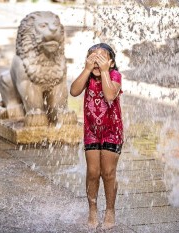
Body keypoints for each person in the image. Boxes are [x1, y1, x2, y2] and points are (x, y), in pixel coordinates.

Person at [70, 43, 123, 229]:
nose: (96, 62)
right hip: (91, 132)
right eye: (93, 58)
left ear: (111, 62)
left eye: (101, 58)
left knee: (108, 173)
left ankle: (110, 210)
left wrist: (105, 71)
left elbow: (109, 95)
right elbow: (73, 91)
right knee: (93, 172)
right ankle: (92, 209)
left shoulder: (115, 76)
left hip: (112, 131)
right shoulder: (87, 78)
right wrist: (86, 69)